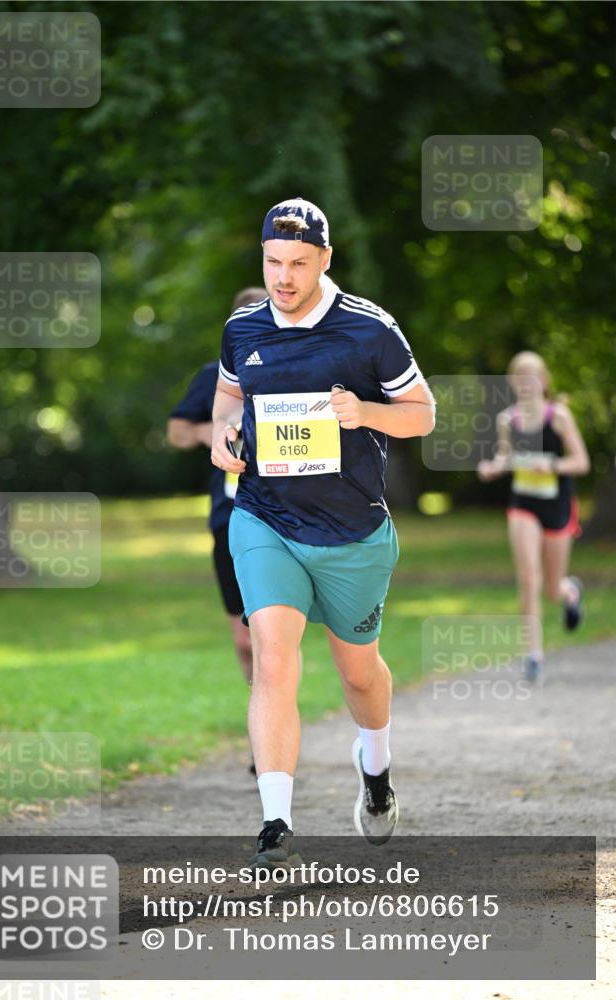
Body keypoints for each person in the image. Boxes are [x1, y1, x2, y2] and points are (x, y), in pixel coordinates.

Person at [210, 197, 435, 868]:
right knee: (272, 656)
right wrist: (224, 438)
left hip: (350, 531)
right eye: (272, 262)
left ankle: (376, 772)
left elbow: (421, 415)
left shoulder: (368, 331)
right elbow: (228, 397)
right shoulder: (242, 328)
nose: (283, 277)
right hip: (264, 518)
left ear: (325, 260)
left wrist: (363, 410)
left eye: (298, 264)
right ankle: (275, 821)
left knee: (358, 672)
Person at [167, 287, 267, 698]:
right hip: (229, 515)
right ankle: (260, 720)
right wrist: (218, 429)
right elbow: (176, 432)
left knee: (272, 639)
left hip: (285, 515)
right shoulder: (214, 376)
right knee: (246, 642)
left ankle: (275, 731)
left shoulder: (299, 372)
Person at [477, 351, 590, 682]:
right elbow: (505, 458)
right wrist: (492, 468)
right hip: (523, 503)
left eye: (532, 375)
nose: (525, 383)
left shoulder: (559, 417)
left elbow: (581, 462)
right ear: (512, 383)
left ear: (543, 381)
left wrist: (552, 465)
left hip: (557, 505)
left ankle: (570, 592)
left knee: (552, 588)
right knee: (529, 577)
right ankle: (534, 656)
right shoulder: (507, 420)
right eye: (519, 376)